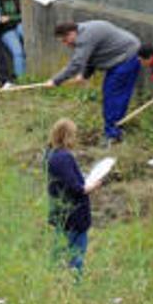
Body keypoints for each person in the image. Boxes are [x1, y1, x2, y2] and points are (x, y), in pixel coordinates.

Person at [46, 21, 142, 145]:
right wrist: (85, 75)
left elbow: (76, 63)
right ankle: (115, 129)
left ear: (71, 33)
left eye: (65, 40)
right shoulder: (83, 33)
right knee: (112, 96)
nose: (66, 44)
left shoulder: (85, 36)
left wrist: (56, 80)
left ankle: (113, 135)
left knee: (113, 97)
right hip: (119, 59)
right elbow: (92, 57)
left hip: (127, 57)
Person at [45, 118, 103, 275]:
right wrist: (92, 185)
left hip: (61, 214)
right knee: (76, 256)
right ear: (67, 136)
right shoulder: (65, 158)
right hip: (74, 216)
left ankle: (54, 281)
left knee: (59, 250)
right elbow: (76, 188)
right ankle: (73, 284)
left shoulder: (51, 155)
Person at [0, 0, 25, 78]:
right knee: (18, 52)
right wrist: (14, 18)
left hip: (18, 25)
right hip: (6, 30)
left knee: (24, 31)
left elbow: (24, 15)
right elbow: (0, 19)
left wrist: (10, 18)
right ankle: (21, 78)